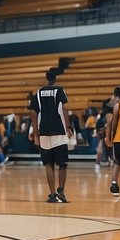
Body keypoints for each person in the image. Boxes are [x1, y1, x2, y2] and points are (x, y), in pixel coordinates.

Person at [30, 69, 73, 203]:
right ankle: (61, 191)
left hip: (44, 133)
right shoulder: (59, 90)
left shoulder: (38, 93)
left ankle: (52, 194)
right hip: (59, 132)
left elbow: (33, 112)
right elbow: (64, 109)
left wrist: (36, 134)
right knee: (62, 164)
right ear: (55, 78)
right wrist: (68, 127)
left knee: (49, 164)